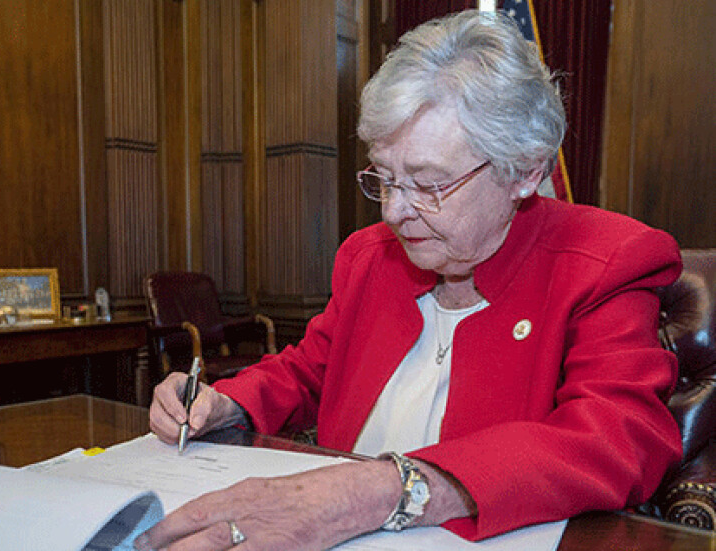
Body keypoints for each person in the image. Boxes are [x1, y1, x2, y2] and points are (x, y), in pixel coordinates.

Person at [135, 9, 682, 550]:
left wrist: (387, 489)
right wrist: (224, 402)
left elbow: (619, 438)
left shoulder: (608, 260)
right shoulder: (370, 257)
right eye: (386, 178)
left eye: (428, 184)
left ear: (525, 170)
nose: (395, 212)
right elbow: (310, 370)